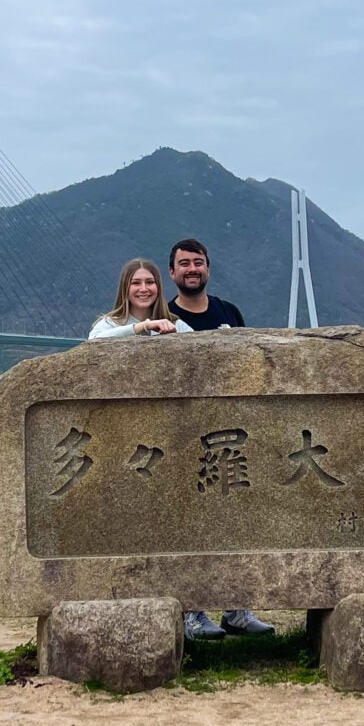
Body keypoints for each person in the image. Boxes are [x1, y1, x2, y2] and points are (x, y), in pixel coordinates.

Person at [168, 237, 275, 641]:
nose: (192, 269)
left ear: (208, 268)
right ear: (172, 273)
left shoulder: (229, 312)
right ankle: (192, 611)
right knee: (188, 528)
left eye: (198, 262)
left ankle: (237, 609)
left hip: (232, 437)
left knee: (237, 523)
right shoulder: (164, 315)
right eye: (184, 264)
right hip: (184, 439)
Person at [89, 258, 192, 339]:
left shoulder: (177, 326)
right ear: (125, 288)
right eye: (136, 283)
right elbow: (92, 343)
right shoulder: (110, 324)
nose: (143, 289)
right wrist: (143, 326)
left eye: (150, 282)